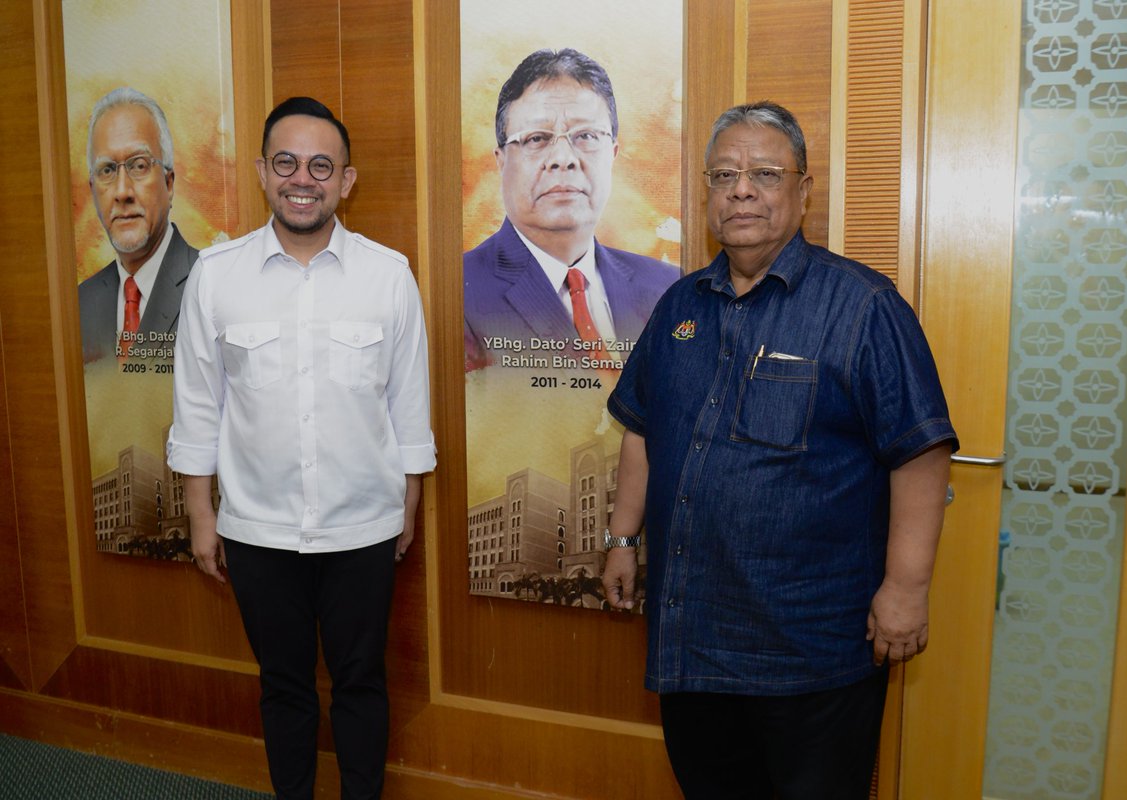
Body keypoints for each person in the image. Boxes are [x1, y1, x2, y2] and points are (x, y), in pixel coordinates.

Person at [601, 101, 958, 800]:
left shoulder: (862, 307)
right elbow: (642, 428)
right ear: (706, 191)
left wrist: (906, 591)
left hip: (813, 649)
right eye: (725, 174)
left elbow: (920, 453)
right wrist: (621, 537)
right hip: (693, 639)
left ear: (803, 191)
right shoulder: (679, 309)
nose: (742, 190)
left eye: (765, 173)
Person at [167, 97, 436, 800]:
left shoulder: (388, 275)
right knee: (283, 687)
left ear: (347, 180)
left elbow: (409, 407)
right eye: (286, 162)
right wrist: (202, 515)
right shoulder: (217, 276)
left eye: (322, 165)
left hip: (363, 525)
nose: (302, 178)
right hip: (258, 527)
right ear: (262, 172)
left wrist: (407, 507)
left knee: (360, 683)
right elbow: (198, 405)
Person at [463, 48, 680, 370]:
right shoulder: (459, 290)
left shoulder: (667, 287)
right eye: (537, 138)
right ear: (502, 161)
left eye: (586, 136)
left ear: (613, 154)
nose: (563, 158)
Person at [78, 87, 198, 364]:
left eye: (139, 166)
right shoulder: (80, 303)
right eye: (107, 170)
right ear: (93, 189)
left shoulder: (208, 284)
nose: (122, 191)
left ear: (169, 184)